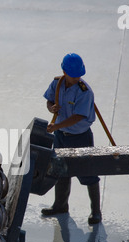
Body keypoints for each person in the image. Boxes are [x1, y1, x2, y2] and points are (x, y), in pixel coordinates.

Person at [41, 53, 102, 224]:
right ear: (64, 71)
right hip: (61, 136)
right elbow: (49, 100)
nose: (76, 78)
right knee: (60, 171)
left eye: (78, 76)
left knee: (88, 173)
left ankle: (96, 212)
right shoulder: (57, 83)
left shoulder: (85, 92)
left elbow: (78, 117)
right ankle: (60, 205)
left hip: (80, 137)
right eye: (73, 75)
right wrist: (51, 108)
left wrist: (56, 126)